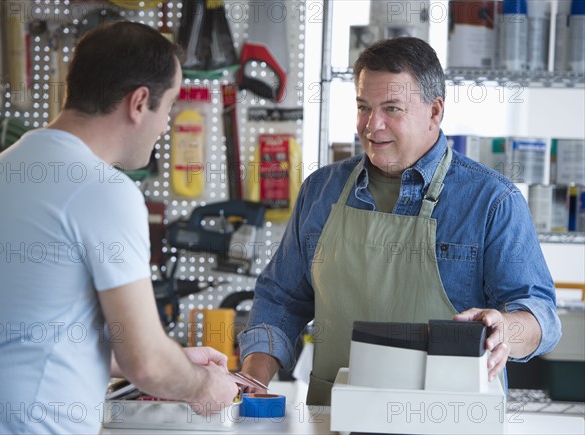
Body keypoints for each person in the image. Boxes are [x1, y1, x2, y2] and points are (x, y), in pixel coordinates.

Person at [237, 37, 562, 405]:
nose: (372, 125)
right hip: (334, 420)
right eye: (363, 107)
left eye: (392, 108)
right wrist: (254, 376)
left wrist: (509, 329)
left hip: (450, 422)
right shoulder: (320, 190)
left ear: (435, 112)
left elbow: (541, 316)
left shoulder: (492, 201)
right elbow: (281, 299)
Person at [0, 21, 238, 434]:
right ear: (139, 102)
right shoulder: (101, 190)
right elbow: (148, 364)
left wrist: (176, 357)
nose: (166, 125)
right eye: (168, 106)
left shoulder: (3, 169)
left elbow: (39, 333)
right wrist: (203, 386)